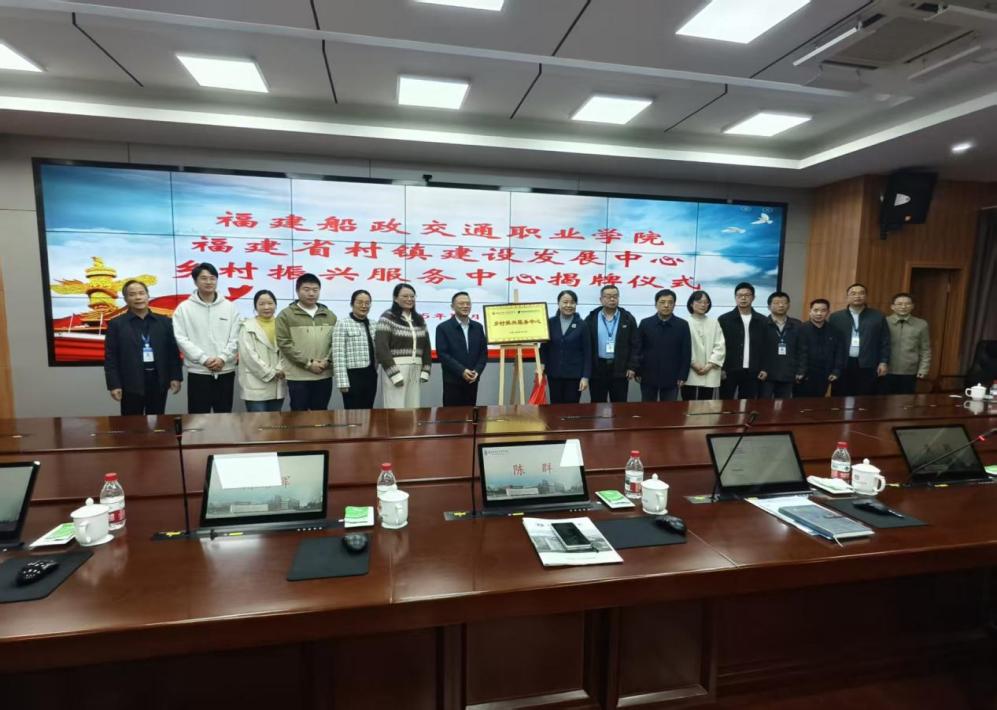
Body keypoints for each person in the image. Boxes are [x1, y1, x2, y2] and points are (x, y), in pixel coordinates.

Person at [171, 262, 242, 413]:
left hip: (225, 371)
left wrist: (222, 358)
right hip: (199, 372)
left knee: (223, 417)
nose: (209, 282)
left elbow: (236, 337)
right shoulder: (184, 308)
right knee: (198, 418)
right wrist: (204, 359)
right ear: (195, 281)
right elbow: (181, 339)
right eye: (203, 278)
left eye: (212, 278)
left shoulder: (229, 307)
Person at [103, 280, 182, 415]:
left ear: (148, 295)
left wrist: (175, 377)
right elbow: (111, 358)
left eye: (141, 293)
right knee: (131, 423)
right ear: (126, 299)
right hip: (130, 382)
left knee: (157, 421)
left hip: (158, 380)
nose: (138, 297)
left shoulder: (164, 322)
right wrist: (114, 385)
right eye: (132, 294)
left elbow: (173, 353)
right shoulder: (117, 324)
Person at [275, 273, 337, 411]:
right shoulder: (286, 315)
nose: (311, 293)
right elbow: (284, 343)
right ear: (297, 291)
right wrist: (308, 364)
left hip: (323, 374)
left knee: (321, 413)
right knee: (299, 415)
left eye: (315, 290)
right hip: (298, 376)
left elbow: (336, 343)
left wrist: (327, 361)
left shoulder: (329, 315)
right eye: (306, 289)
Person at [375, 283, 432, 409]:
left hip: (415, 370)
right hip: (396, 368)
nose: (409, 299)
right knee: (396, 407)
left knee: (413, 407)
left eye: (412, 296)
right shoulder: (387, 317)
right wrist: (394, 373)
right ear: (395, 298)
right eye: (405, 296)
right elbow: (381, 348)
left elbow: (426, 347)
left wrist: (426, 369)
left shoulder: (419, 319)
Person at [828, 283, 890, 397]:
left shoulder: (877, 316)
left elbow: (885, 341)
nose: (857, 296)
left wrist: (883, 361)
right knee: (840, 396)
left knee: (865, 397)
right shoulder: (836, 317)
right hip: (843, 363)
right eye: (853, 293)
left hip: (868, 363)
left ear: (866, 296)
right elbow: (830, 343)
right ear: (847, 297)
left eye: (861, 293)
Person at [584, 285, 639, 402]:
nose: (612, 299)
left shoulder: (628, 318)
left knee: (619, 404)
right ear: (601, 299)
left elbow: (635, 344)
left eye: (615, 296)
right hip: (598, 368)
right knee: (597, 404)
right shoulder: (591, 318)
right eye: (608, 296)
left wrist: (632, 366)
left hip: (620, 367)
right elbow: (586, 345)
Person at [635, 289, 691, 402]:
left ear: (674, 305)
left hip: (672, 377)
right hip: (648, 375)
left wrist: (683, 375)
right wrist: (638, 371)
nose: (666, 305)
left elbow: (686, 352)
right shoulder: (645, 323)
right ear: (656, 304)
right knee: (647, 409)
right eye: (662, 302)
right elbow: (638, 349)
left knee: (669, 410)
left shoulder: (682, 325)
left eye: (670, 302)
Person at [237, 290, 286, 412]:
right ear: (255, 306)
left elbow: (287, 350)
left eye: (270, 303)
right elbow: (248, 355)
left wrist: (280, 369)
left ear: (275, 305)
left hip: (278, 381)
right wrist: (270, 373)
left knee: (275, 421)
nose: (266, 307)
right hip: (255, 383)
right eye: (261, 304)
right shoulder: (247, 327)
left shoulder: (283, 325)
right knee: (257, 422)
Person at [436, 291, 487, 406]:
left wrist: (477, 371)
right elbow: (443, 354)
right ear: (452, 306)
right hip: (452, 381)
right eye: (461, 303)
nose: (465, 306)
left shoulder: (478, 327)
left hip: (472, 380)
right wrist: (462, 371)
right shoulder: (443, 328)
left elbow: (483, 354)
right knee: (452, 414)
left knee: (470, 413)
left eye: (468, 303)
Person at [539, 290, 591, 404]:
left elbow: (588, 353)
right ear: (558, 303)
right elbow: (544, 348)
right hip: (554, 374)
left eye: (572, 302)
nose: (569, 305)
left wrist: (585, 377)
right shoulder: (550, 323)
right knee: (555, 407)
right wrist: (542, 364)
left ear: (576, 304)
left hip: (574, 376)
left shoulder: (582, 325)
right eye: (565, 302)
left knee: (571, 408)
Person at [718, 282, 767, 399]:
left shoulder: (762, 320)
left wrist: (765, 368)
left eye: (747, 295)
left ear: (753, 297)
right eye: (740, 295)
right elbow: (719, 346)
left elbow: (766, 347)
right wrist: (721, 368)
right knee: (725, 403)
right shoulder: (724, 319)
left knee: (747, 404)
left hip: (753, 371)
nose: (743, 298)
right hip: (729, 370)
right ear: (735, 297)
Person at [332, 289, 378, 410]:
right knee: (353, 413)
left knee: (369, 410)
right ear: (352, 304)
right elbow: (338, 354)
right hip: (353, 376)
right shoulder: (342, 324)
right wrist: (342, 382)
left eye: (367, 303)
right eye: (360, 302)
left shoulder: (374, 324)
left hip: (371, 374)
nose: (364, 306)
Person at [795, 299, 845, 398]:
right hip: (803, 374)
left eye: (823, 310)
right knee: (800, 402)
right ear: (810, 311)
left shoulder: (835, 331)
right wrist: (799, 371)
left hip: (825, 374)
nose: (819, 313)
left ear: (828, 312)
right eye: (816, 310)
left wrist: (836, 371)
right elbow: (796, 352)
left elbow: (839, 353)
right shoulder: (800, 329)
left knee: (819, 401)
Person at [884, 292, 932, 394]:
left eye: (907, 304)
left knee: (906, 400)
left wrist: (923, 369)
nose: (903, 307)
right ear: (892, 306)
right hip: (886, 370)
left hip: (909, 371)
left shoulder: (921, 324)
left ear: (912, 306)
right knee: (884, 400)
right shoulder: (884, 322)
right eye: (899, 304)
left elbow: (925, 349)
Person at [758, 291, 803, 399]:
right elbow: (757, 350)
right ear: (769, 306)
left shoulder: (797, 325)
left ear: (789, 305)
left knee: (784, 405)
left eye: (784, 302)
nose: (781, 305)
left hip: (788, 373)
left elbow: (802, 350)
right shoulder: (761, 324)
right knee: (764, 405)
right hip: (766, 374)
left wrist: (800, 370)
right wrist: (761, 368)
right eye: (777, 303)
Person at [682, 290, 725, 401]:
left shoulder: (714, 322)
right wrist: (692, 363)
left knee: (706, 404)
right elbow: (682, 347)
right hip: (690, 370)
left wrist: (710, 365)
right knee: (688, 403)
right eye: (699, 302)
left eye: (706, 302)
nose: (703, 305)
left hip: (710, 370)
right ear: (691, 304)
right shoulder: (684, 322)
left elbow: (720, 346)